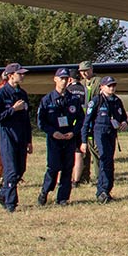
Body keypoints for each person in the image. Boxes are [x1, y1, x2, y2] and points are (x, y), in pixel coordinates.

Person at [0, 64, 34, 213]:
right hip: (8, 136)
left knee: (20, 169)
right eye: (19, 73)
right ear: (10, 75)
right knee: (11, 170)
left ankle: (2, 194)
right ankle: (11, 203)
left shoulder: (23, 94)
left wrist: (29, 140)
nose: (22, 76)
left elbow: (26, 119)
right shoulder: (0, 94)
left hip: (21, 136)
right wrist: (12, 110)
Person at [37, 67, 85, 205]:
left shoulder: (73, 99)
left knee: (67, 168)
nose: (63, 81)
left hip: (69, 138)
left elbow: (81, 119)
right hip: (54, 138)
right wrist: (53, 132)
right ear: (55, 79)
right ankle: (45, 191)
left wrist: (74, 132)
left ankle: (63, 198)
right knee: (53, 167)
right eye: (61, 78)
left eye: (66, 79)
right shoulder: (47, 100)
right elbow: (41, 122)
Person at [84, 75, 128, 202]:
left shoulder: (117, 101)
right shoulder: (96, 101)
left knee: (109, 162)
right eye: (109, 86)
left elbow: (123, 116)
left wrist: (125, 122)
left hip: (111, 133)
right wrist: (83, 140)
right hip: (100, 133)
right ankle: (101, 191)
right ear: (101, 87)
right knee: (104, 159)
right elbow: (86, 122)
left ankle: (107, 191)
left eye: (114, 85)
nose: (112, 88)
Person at [74, 61, 97, 185]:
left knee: (96, 150)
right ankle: (83, 177)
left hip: (94, 121)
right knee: (83, 150)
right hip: (82, 122)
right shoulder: (80, 84)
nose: (84, 73)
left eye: (86, 70)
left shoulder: (98, 82)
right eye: (82, 71)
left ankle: (100, 176)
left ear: (91, 69)